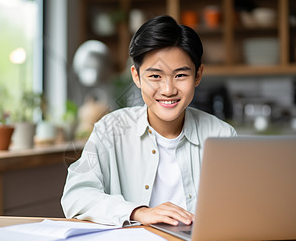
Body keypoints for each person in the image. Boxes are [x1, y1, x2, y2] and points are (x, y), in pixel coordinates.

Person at [61, 15, 236, 227]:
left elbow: (243, 205)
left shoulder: (222, 136)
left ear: (198, 75)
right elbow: (76, 196)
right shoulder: (110, 130)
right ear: (136, 76)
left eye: (180, 75)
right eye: (155, 76)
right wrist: (137, 212)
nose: (168, 90)